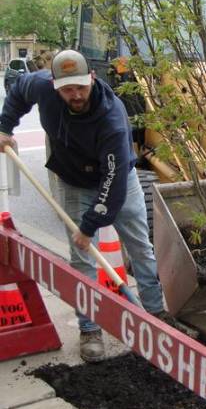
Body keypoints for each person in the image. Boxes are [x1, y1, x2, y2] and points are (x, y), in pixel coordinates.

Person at [0, 49, 186, 363]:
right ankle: (89, 329)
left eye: (81, 87)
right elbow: (18, 91)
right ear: (55, 84)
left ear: (92, 78)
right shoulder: (42, 85)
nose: (75, 95)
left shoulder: (112, 117)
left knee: (141, 247)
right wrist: (6, 127)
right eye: (68, 88)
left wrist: (89, 227)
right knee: (82, 258)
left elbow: (112, 187)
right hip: (73, 180)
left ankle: (156, 315)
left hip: (119, 183)